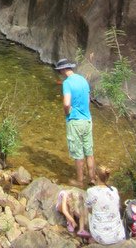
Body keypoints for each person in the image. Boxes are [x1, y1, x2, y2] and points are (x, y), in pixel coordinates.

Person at [54, 58, 96, 187]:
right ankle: (93, 178)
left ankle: (79, 181)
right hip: (87, 120)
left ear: (62, 70)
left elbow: (66, 103)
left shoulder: (67, 83)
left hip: (75, 121)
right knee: (89, 151)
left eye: (60, 70)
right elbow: (88, 100)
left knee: (78, 153)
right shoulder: (83, 80)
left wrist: (67, 112)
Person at [85, 165, 126, 244]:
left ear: (96, 176)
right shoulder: (114, 190)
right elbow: (118, 207)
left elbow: (89, 210)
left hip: (101, 237)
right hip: (119, 236)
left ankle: (89, 234)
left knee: (88, 211)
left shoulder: (91, 191)